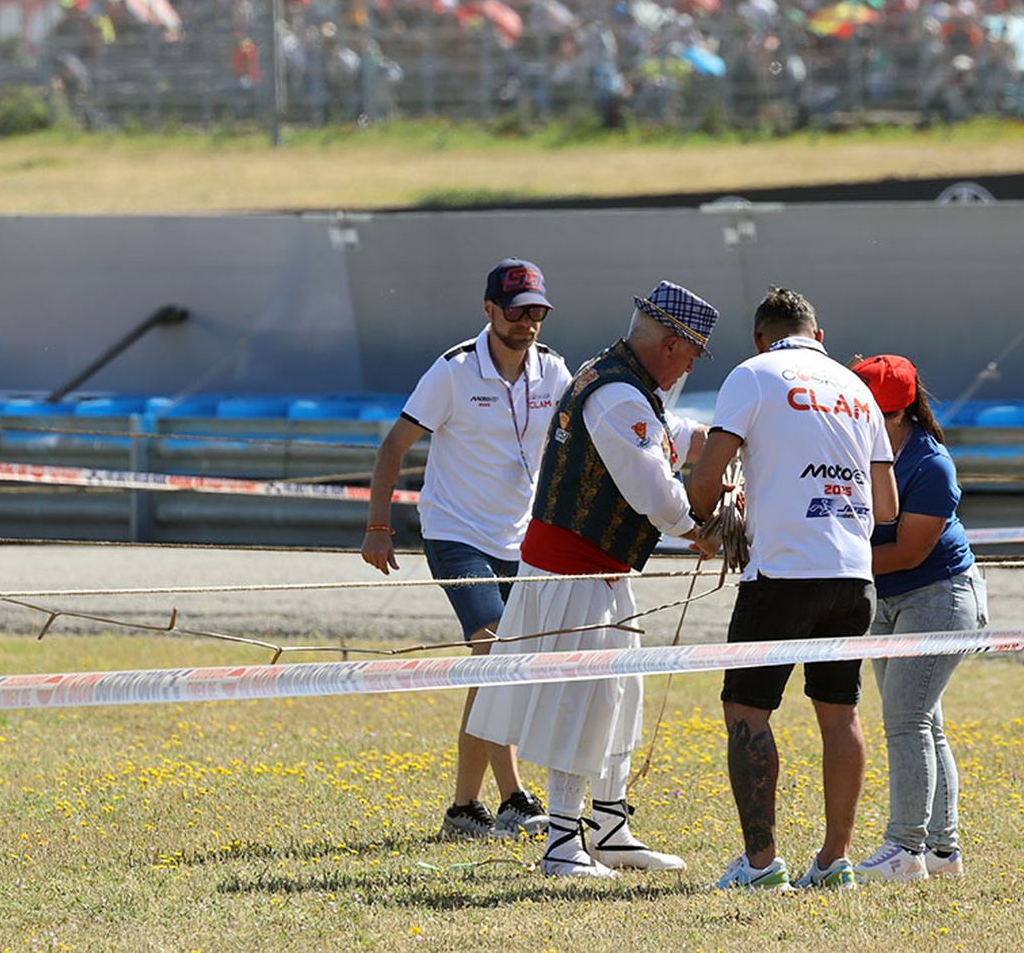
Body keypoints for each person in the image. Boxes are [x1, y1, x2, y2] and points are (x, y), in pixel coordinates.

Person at [467, 280, 722, 879]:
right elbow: (654, 490)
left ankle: (610, 828)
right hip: (572, 573)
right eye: (690, 354)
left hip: (595, 570)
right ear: (670, 345)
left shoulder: (619, 381)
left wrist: (715, 441)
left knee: (617, 697)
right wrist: (698, 528)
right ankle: (562, 844)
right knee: (578, 703)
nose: (689, 367)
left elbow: (665, 435)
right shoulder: (619, 395)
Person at [687, 287, 898, 892]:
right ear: (819, 336)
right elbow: (887, 506)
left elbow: (705, 481)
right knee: (841, 713)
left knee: (747, 711)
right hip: (853, 574)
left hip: (781, 572)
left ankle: (760, 865)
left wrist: (711, 512)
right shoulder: (856, 389)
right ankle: (835, 861)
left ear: (760, 338)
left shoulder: (752, 375)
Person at [361, 258, 571, 841]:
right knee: (496, 653)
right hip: (455, 535)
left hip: (522, 539)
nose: (528, 322)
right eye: (517, 311)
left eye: (537, 311)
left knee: (494, 669)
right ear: (489, 310)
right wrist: (378, 527)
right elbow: (393, 447)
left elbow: (582, 438)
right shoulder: (452, 370)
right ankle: (514, 798)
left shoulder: (554, 370)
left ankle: (462, 808)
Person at [847, 353, 987, 883]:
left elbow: (908, 552)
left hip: (939, 597)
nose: (867, 424)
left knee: (906, 721)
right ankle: (942, 852)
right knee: (926, 722)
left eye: (879, 415)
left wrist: (836, 561)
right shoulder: (855, 447)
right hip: (885, 599)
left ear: (903, 412)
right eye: (860, 412)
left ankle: (905, 848)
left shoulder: (931, 465)